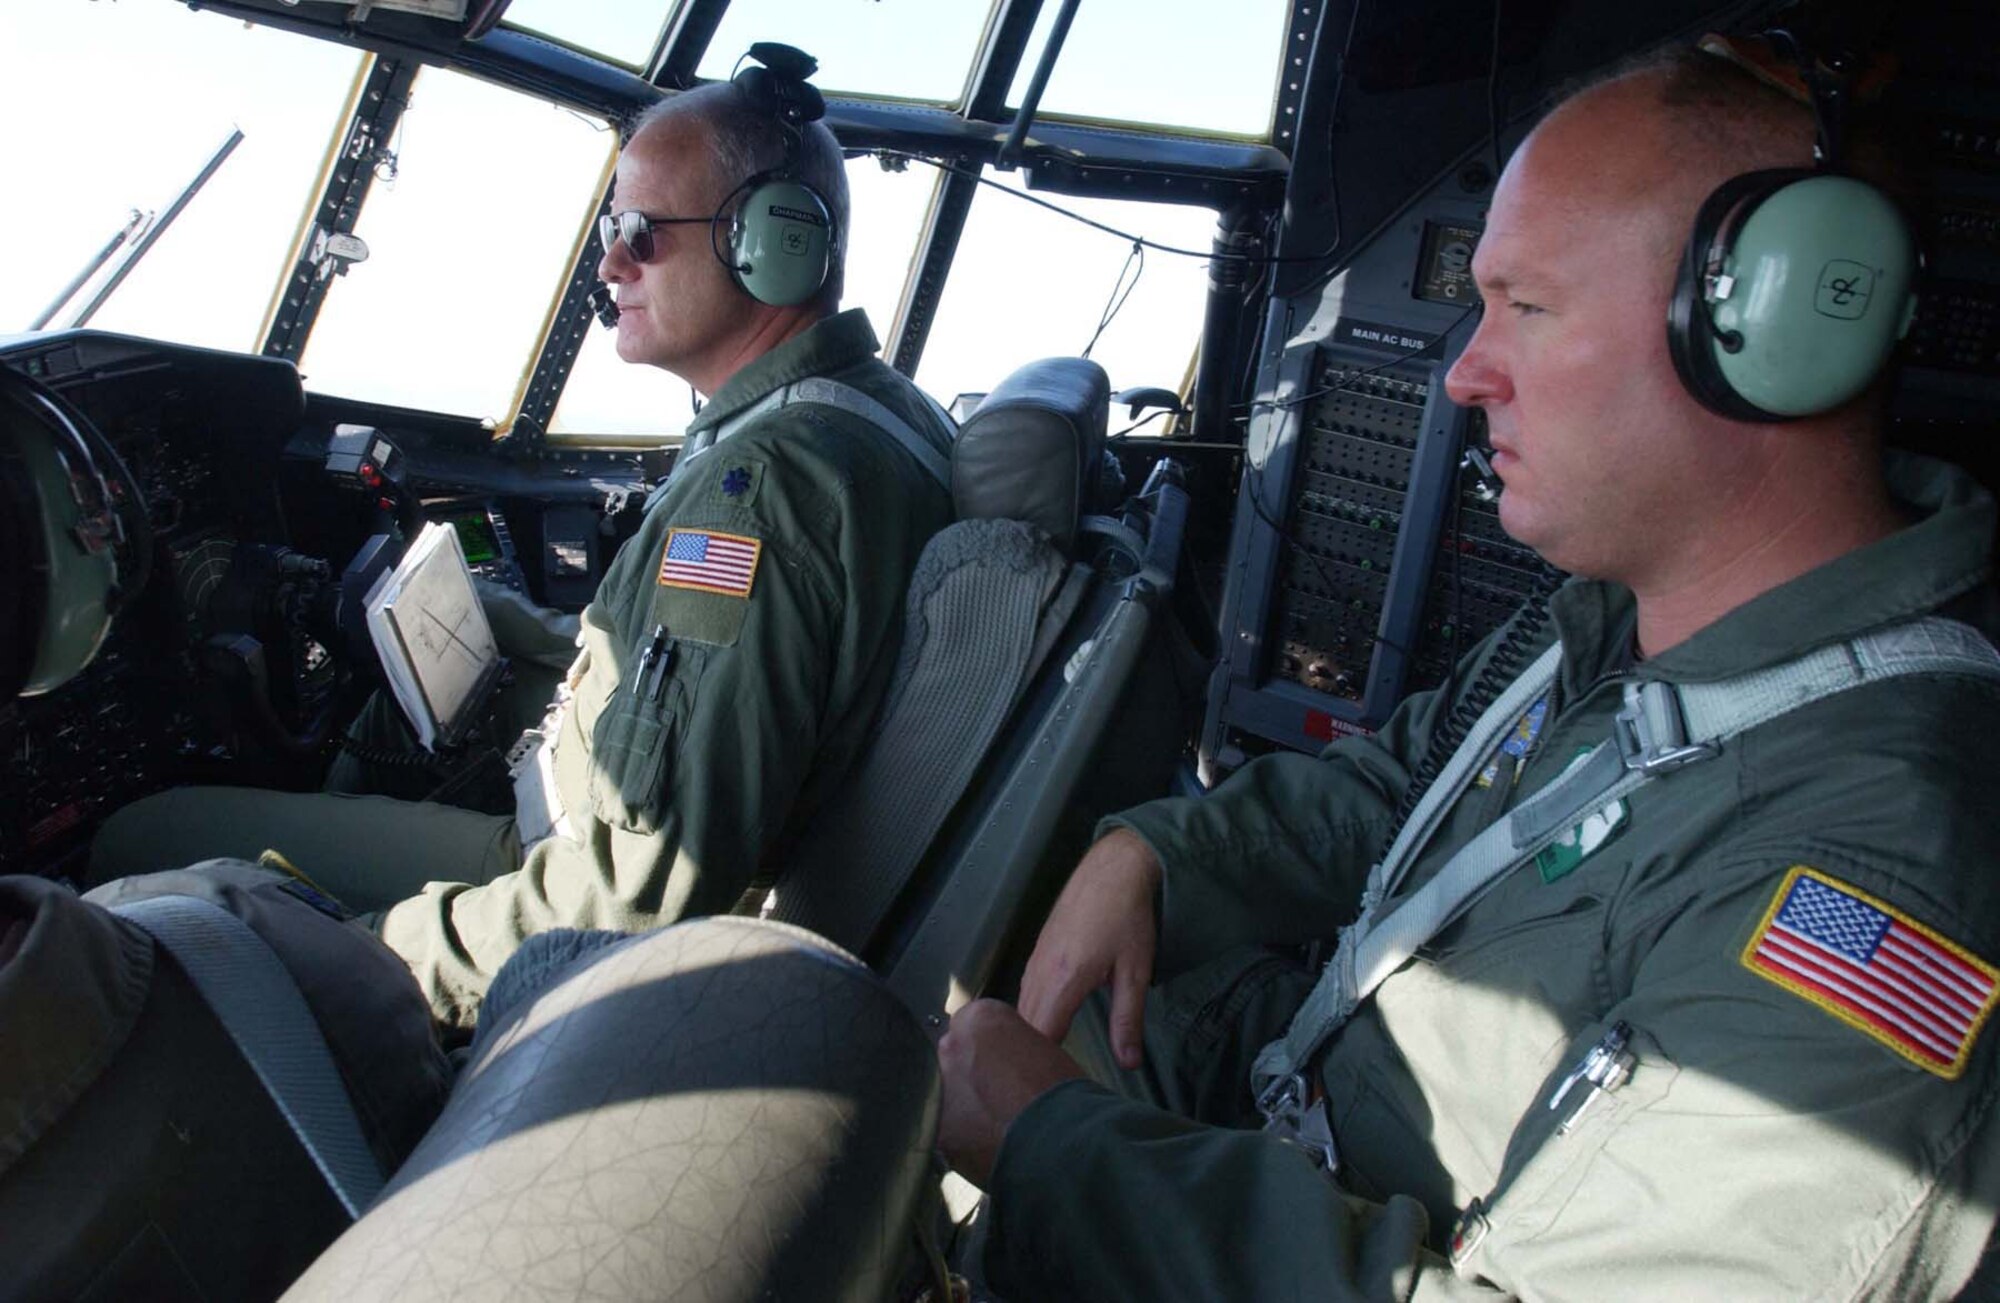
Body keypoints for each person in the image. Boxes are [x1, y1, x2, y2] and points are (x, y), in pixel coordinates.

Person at [936, 46, 2000, 1300]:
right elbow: (1400, 788)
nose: (1463, 370)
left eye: (1527, 306)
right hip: (1302, 1117)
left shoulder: (1879, 870)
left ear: (1771, 328)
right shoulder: (1606, 620)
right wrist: (1162, 854)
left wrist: (1059, 1153)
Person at [91, 69, 956, 1030]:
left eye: (640, 234)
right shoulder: (884, 414)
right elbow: (736, 677)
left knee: (142, 837)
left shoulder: (758, 495)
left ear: (772, 248)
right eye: (606, 234)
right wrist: (527, 627)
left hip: (565, 883)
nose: (609, 268)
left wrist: (368, 953)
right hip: (611, 828)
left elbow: (626, 902)